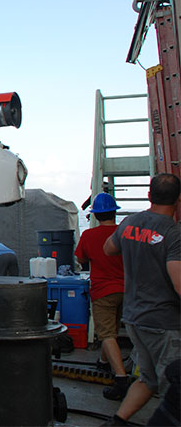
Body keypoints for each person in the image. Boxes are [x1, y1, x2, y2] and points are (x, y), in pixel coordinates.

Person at [101, 173, 181, 426]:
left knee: (147, 379)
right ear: (178, 200)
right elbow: (179, 282)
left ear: (149, 196)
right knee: (174, 389)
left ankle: (118, 421)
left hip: (134, 318)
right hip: (164, 323)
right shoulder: (173, 233)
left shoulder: (130, 223)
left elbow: (108, 248)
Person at [74, 192, 128, 400]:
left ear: (94, 215)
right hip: (126, 289)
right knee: (112, 328)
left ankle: (121, 378)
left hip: (103, 291)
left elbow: (80, 258)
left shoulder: (89, 236)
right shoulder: (125, 233)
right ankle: (104, 362)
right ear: (114, 212)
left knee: (106, 334)